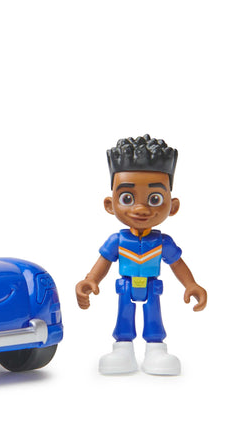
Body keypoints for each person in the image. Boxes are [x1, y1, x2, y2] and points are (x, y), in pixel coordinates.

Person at [75, 134, 207, 375]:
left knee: (153, 314)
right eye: (127, 198)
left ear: (173, 206)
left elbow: (177, 263)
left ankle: (155, 349)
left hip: (151, 286)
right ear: (110, 204)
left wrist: (191, 284)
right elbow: (104, 262)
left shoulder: (162, 242)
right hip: (125, 285)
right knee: (124, 314)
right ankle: (123, 349)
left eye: (155, 199)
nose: (140, 208)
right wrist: (91, 280)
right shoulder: (117, 241)